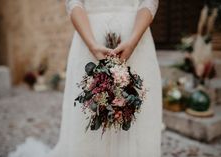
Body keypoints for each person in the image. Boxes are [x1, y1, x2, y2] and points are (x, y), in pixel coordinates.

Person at [9, 0, 162, 157]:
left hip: (136, 37)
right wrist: (92, 45)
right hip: (89, 36)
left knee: (135, 108)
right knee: (90, 111)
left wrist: (133, 42)